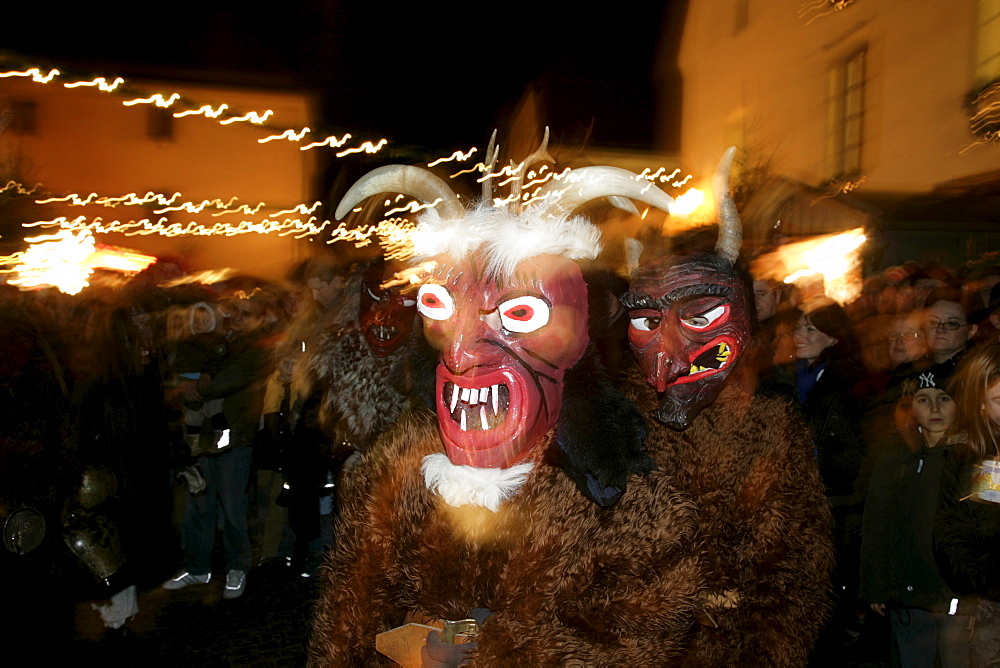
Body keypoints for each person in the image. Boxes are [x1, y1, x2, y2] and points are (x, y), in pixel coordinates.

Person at [163, 289, 273, 600]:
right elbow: (207, 367)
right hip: (208, 438)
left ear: (260, 318)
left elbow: (227, 379)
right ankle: (198, 568)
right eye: (234, 312)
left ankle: (238, 567)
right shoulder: (226, 342)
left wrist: (195, 387)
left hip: (235, 439)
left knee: (232, 507)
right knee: (200, 504)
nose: (237, 318)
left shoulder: (259, 347)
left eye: (246, 314)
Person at [861, 366, 971, 667]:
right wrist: (876, 583)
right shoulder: (897, 453)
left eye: (944, 398)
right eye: (924, 400)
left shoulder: (974, 455)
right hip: (907, 592)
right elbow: (877, 521)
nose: (934, 408)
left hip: (956, 595)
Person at [935, 342, 1000, 667]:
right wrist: (988, 581)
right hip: (992, 603)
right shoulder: (968, 456)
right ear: (981, 405)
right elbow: (954, 530)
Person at [923, 287, 977, 373]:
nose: (940, 329)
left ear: (971, 331)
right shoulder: (910, 371)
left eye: (951, 324)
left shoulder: (977, 373)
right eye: (933, 322)